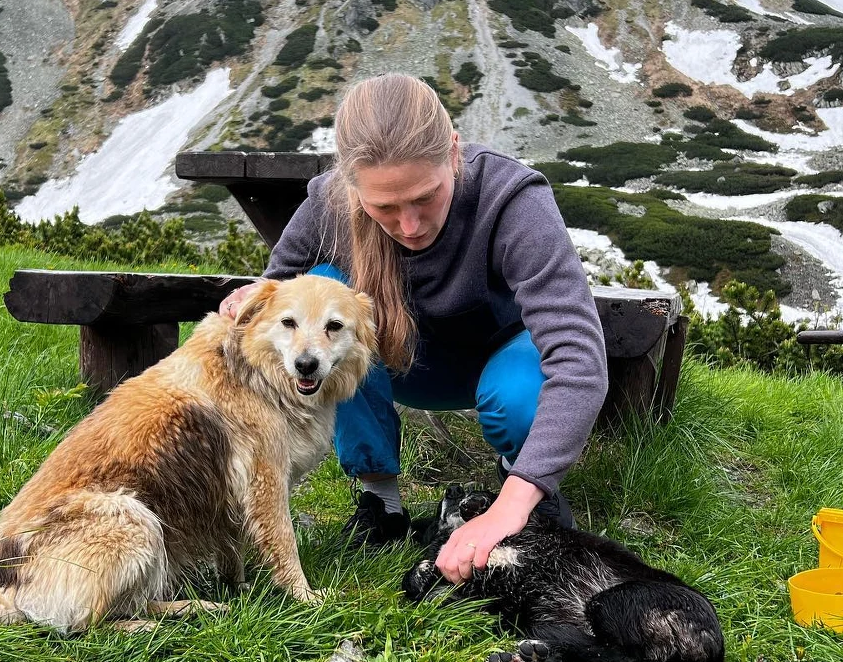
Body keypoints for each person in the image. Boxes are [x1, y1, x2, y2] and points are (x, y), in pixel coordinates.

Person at [219, 73, 608, 584]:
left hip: (498, 360)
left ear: (453, 153)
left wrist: (509, 507)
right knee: (323, 291)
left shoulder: (513, 200)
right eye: (384, 207)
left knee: (517, 399)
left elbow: (578, 357)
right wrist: (249, 298)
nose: (409, 226)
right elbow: (279, 288)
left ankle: (524, 487)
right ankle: (381, 502)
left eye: (426, 197)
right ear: (351, 184)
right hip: (396, 365)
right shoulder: (329, 202)